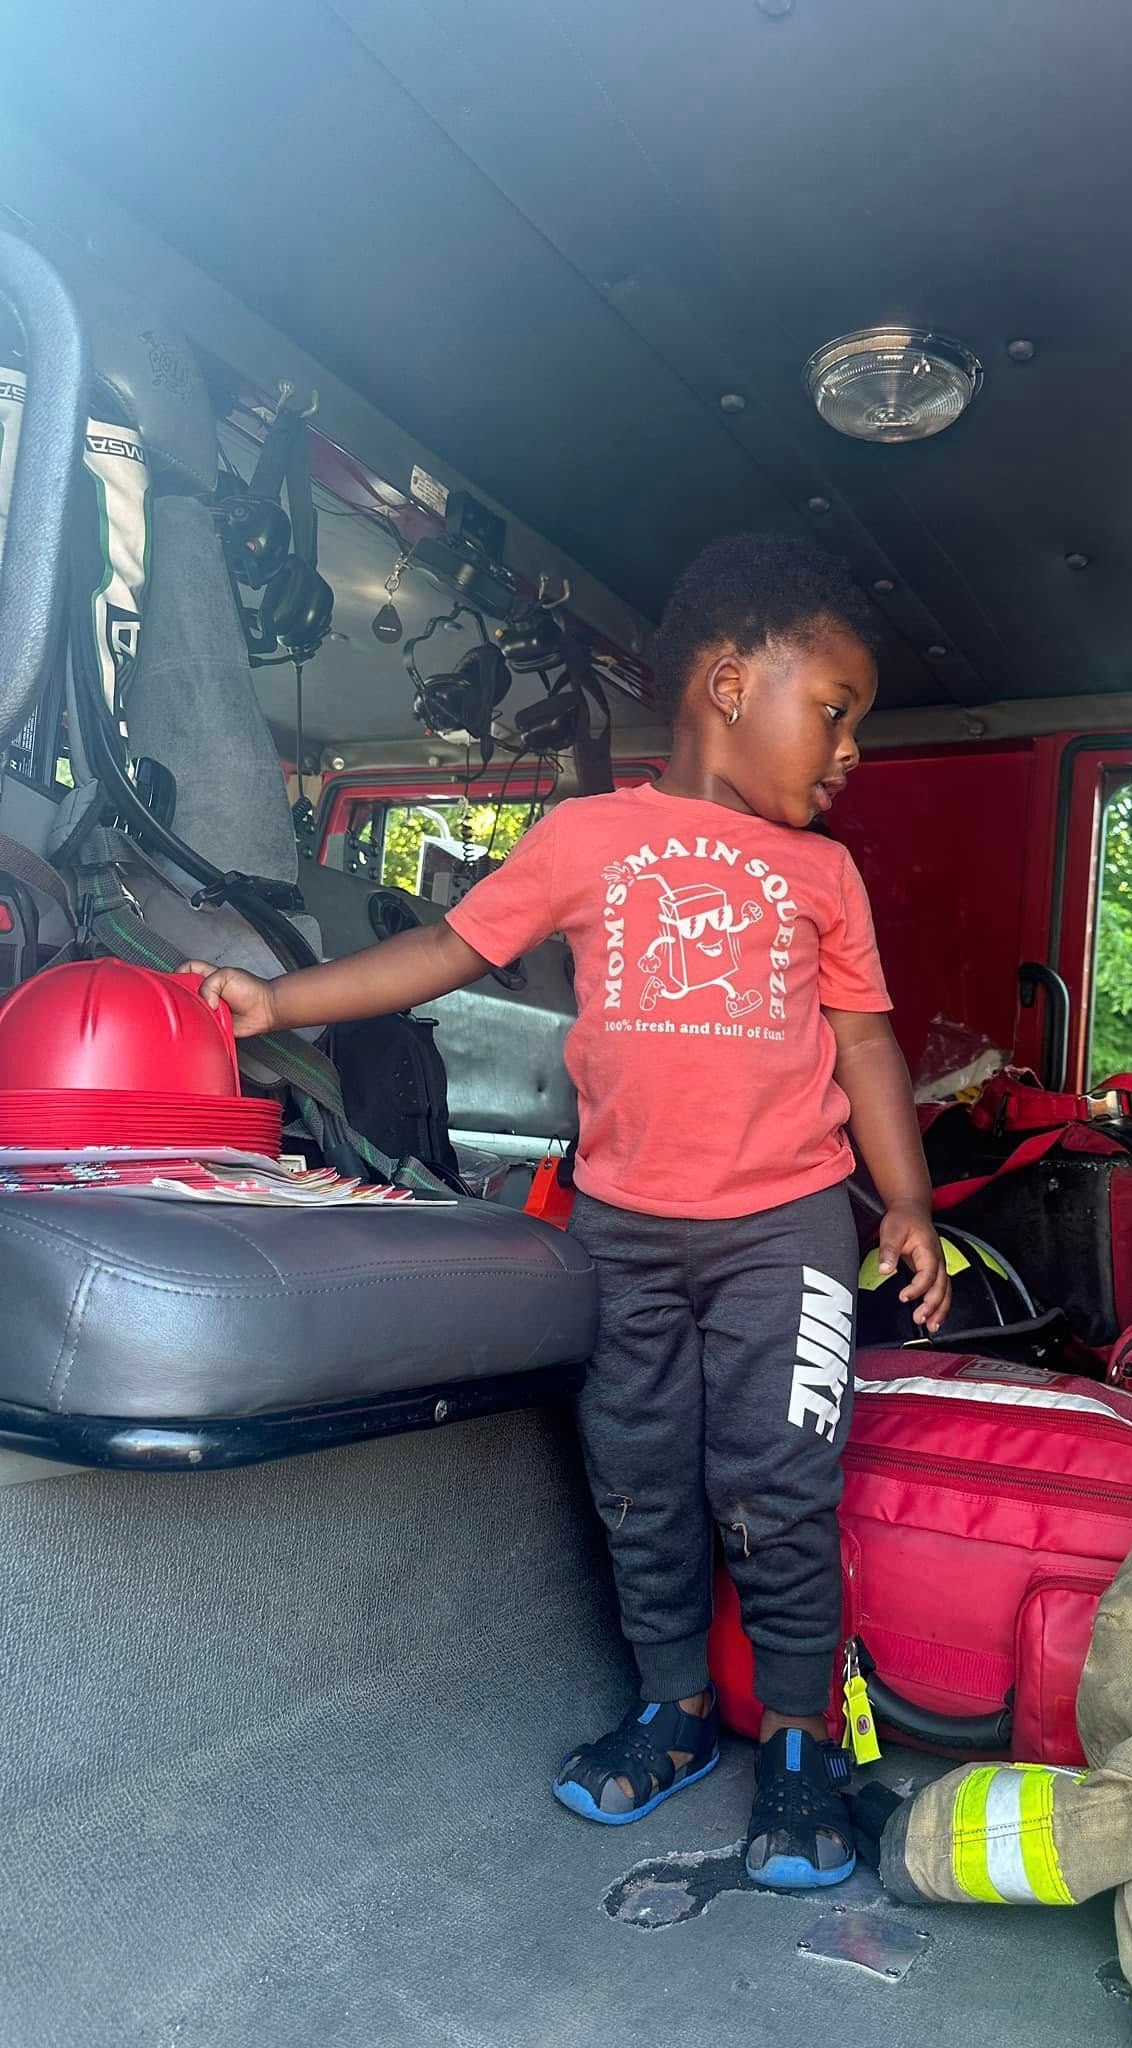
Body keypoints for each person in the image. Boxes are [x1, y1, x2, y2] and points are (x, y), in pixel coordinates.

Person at [185, 534, 950, 1892]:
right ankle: (673, 1713)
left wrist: (905, 1203)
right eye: (833, 712)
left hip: (788, 1229)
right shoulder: (590, 839)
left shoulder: (823, 877)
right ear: (727, 684)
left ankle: (797, 1748)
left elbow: (871, 1047)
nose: (849, 753)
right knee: (640, 1481)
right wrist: (278, 1003)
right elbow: (443, 950)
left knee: (778, 1488)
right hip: (623, 1227)